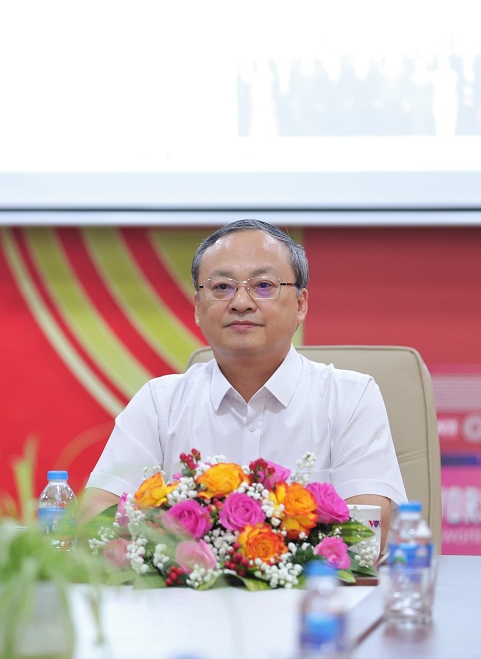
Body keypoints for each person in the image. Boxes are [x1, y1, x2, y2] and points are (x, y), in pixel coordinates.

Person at [80, 219, 406, 549]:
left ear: (300, 304)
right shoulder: (159, 402)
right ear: (198, 308)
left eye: (263, 285)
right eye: (222, 287)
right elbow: (95, 515)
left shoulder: (350, 398)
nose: (241, 302)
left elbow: (366, 531)